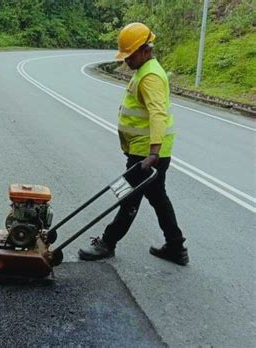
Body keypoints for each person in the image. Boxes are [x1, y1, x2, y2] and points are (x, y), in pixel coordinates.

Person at [78, 22, 189, 266]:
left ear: (145, 50)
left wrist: (154, 152)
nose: (126, 60)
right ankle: (176, 247)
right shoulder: (146, 70)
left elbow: (158, 114)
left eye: (130, 55)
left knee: (128, 197)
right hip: (144, 149)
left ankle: (108, 243)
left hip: (146, 152)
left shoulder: (150, 76)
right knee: (157, 197)